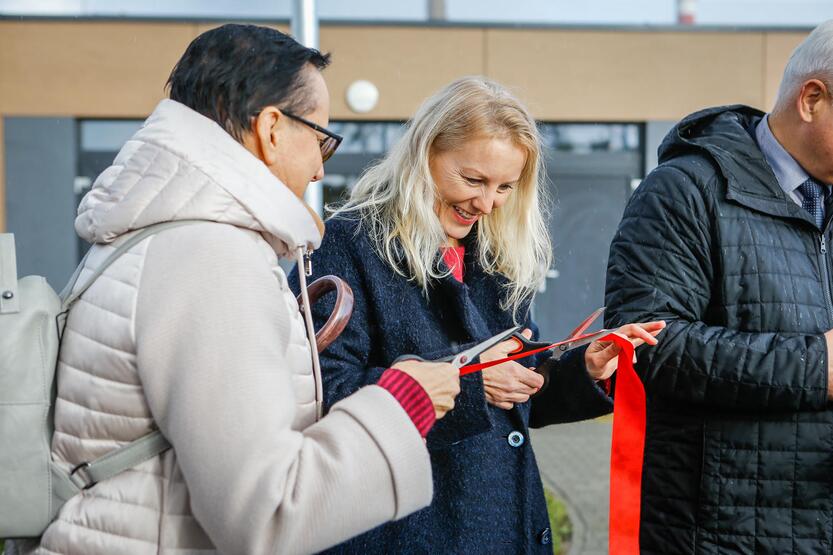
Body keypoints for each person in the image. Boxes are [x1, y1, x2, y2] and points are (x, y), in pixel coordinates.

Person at [23, 24, 463, 555]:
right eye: (321, 137)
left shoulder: (152, 235)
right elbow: (269, 512)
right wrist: (404, 403)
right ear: (273, 129)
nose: (321, 168)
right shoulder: (211, 258)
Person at [293, 76, 665, 553]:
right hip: (401, 532)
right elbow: (322, 392)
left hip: (500, 528)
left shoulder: (495, 255)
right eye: (473, 180)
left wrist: (585, 368)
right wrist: (468, 385)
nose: (487, 204)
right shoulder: (349, 243)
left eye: (506, 187)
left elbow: (522, 393)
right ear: (424, 155)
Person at [605, 20, 833, 555]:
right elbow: (648, 347)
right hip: (720, 534)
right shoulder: (684, 192)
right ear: (812, 99)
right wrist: (817, 367)